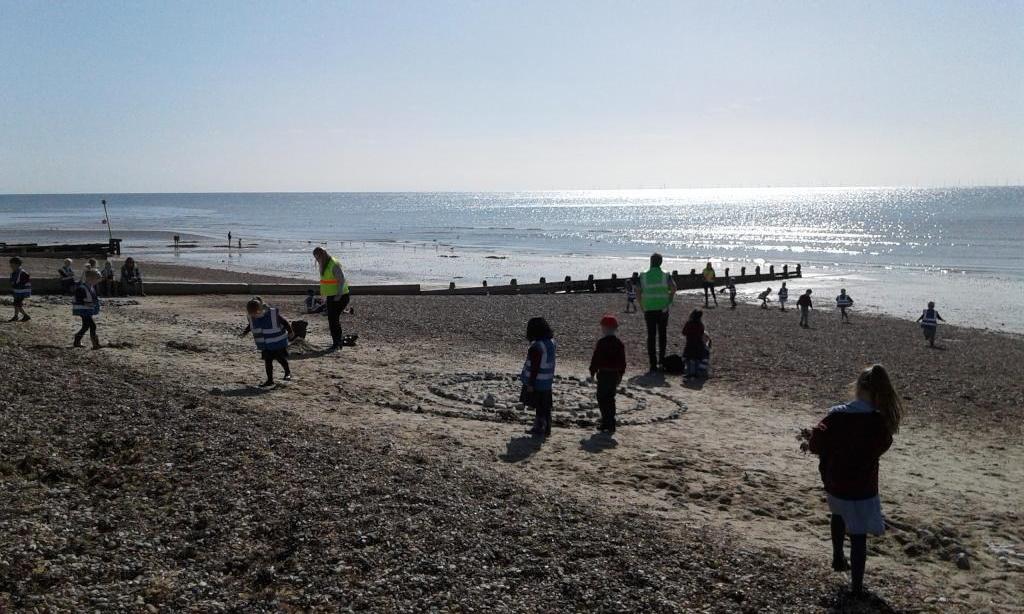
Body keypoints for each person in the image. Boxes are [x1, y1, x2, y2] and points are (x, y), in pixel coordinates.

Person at [802, 364, 902, 595]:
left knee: (838, 514)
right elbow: (883, 445)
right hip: (863, 487)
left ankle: (838, 556)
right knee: (858, 535)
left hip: (835, 483)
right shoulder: (879, 422)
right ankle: (856, 587)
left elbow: (816, 444)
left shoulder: (836, 415)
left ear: (857, 387)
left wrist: (815, 443)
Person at [240, 298, 294, 387]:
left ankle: (287, 373)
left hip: (277, 343)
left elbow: (284, 322)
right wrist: (245, 332)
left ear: (260, 309)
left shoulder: (272, 314)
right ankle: (270, 380)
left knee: (280, 358)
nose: (254, 315)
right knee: (268, 361)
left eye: (255, 313)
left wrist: (290, 332)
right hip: (266, 344)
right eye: (252, 314)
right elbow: (251, 325)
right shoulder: (253, 316)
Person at [637, 253, 677, 372]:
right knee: (662, 335)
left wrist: (641, 305)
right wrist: (670, 300)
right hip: (663, 308)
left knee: (651, 336)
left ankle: (653, 364)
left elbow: (638, 291)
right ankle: (662, 361)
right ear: (661, 262)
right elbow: (674, 287)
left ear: (651, 261)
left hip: (649, 308)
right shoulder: (665, 275)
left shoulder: (643, 275)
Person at [589, 315, 626, 434]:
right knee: (610, 398)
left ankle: (606, 422)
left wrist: (592, 371)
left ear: (604, 328)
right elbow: (622, 361)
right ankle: (611, 423)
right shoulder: (619, 343)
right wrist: (621, 374)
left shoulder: (601, 343)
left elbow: (596, 358)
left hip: (604, 374)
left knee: (602, 398)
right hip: (614, 375)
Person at [520, 317, 555, 437]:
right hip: (547, 381)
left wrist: (530, 384)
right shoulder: (551, 343)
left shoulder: (536, 347)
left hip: (538, 382)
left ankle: (539, 428)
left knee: (540, 407)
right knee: (546, 407)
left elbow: (534, 368)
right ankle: (547, 428)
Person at [312, 247, 351, 351]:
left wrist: (338, 296)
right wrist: (325, 297)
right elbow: (326, 282)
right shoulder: (324, 264)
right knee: (333, 319)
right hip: (332, 296)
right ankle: (337, 341)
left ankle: (337, 342)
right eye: (315, 258)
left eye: (318, 258)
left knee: (333, 319)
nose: (317, 260)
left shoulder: (333, 264)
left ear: (323, 255)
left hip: (340, 296)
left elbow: (341, 280)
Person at [72, 269, 102, 349]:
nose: (97, 282)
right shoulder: (82, 288)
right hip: (83, 310)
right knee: (93, 326)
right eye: (96, 279)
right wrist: (87, 303)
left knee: (85, 326)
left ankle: (77, 340)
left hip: (87, 310)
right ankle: (95, 344)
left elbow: (93, 298)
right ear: (89, 278)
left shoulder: (91, 287)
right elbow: (78, 299)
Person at [681, 309, 712, 379]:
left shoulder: (689, 323)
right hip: (699, 345)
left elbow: (683, 332)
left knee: (689, 359)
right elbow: (701, 333)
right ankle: (697, 372)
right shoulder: (701, 325)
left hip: (690, 344)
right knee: (697, 359)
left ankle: (690, 373)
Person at [8, 257, 31, 322]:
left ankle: (26, 316)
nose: (11, 266)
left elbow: (24, 280)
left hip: (21, 292)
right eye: (11, 265)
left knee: (17, 305)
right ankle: (16, 316)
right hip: (17, 292)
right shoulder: (14, 273)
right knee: (16, 304)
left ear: (17, 265)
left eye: (12, 265)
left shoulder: (22, 273)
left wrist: (17, 284)